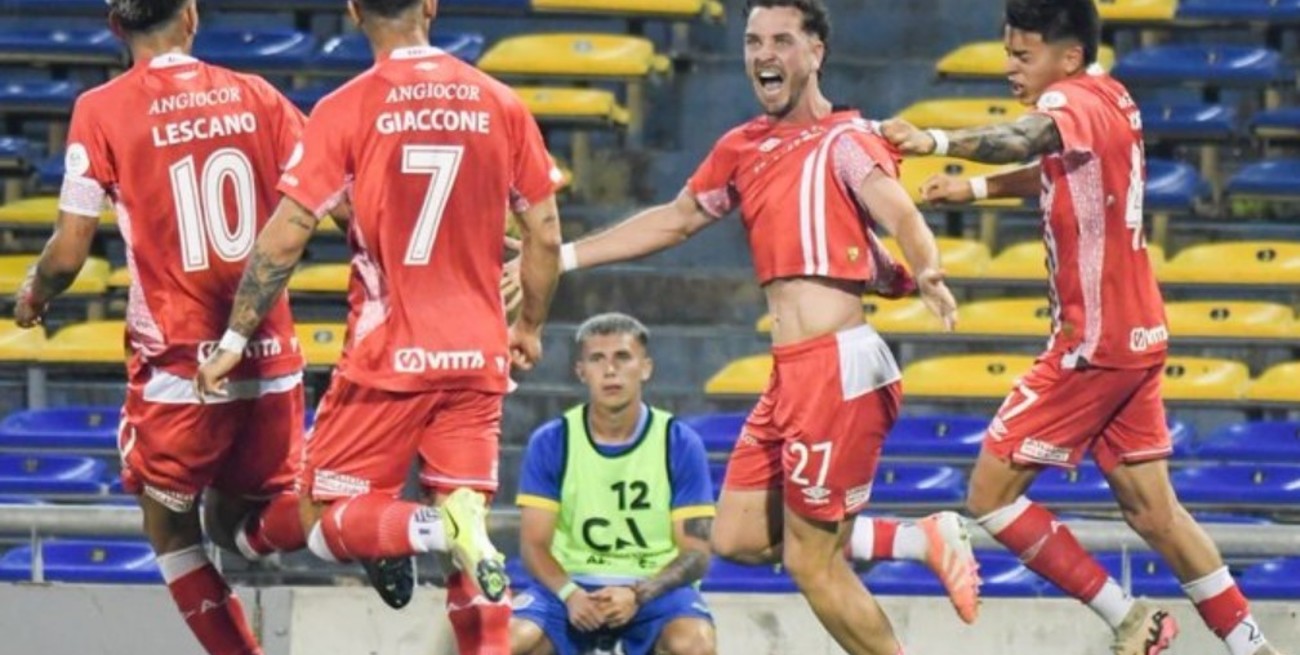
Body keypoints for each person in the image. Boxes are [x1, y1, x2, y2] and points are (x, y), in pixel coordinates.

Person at [532, 2, 979, 652]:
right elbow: (676, 218)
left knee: (809, 561)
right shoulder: (742, 147)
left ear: (816, 52)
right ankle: (917, 537)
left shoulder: (845, 139)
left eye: (782, 40)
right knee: (737, 535)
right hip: (791, 373)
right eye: (752, 41)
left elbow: (900, 212)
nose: (763, 54)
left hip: (837, 366)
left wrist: (929, 266)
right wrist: (563, 255)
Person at [879, 2, 1284, 654]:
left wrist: (937, 141)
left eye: (1022, 55)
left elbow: (1028, 138)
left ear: (1066, 57)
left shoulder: (1068, 101)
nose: (1010, 67)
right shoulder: (1111, 96)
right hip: (1139, 332)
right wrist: (975, 192)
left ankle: (1129, 617)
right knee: (1156, 511)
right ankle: (1251, 643)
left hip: (1093, 343)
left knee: (988, 492)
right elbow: (1056, 165)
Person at [193, 0, 563, 651]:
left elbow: (285, 238)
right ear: (430, 6)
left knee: (323, 517)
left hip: (388, 359)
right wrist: (529, 323)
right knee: (468, 547)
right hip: (477, 358)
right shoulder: (499, 102)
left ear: (354, 11)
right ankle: (453, 530)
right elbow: (545, 233)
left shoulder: (346, 107)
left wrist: (231, 340)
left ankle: (426, 527)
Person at [12, 1, 311, 653]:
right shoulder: (258, 94)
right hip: (271, 355)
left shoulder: (103, 108)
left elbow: (69, 253)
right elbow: (330, 196)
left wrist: (36, 289)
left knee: (171, 526)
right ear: (192, 16)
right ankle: (361, 523)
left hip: (182, 367)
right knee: (242, 518)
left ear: (116, 28)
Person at [510, 313, 716, 655]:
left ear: (645, 368)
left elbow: (696, 552)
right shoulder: (552, 440)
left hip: (653, 588)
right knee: (508, 642)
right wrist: (570, 595)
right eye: (597, 359)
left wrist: (637, 594)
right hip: (569, 585)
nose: (610, 370)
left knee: (695, 644)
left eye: (622, 357)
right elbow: (533, 546)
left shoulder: (679, 441)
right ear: (581, 371)